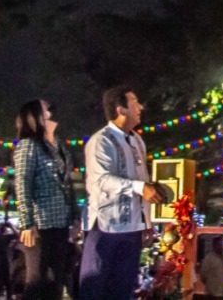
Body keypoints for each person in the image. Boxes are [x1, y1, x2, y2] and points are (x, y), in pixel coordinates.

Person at [78, 85, 164, 300]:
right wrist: (139, 188)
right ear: (120, 110)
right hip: (105, 226)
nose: (140, 107)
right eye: (134, 102)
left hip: (132, 229)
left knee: (124, 290)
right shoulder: (101, 140)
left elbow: (142, 180)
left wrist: (147, 222)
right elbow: (101, 179)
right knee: (95, 287)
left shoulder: (137, 141)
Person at [14, 98, 78, 300]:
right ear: (34, 116)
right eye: (46, 107)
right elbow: (23, 183)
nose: (51, 109)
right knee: (37, 281)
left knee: (57, 280)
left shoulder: (57, 145)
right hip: (40, 225)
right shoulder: (28, 145)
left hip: (60, 223)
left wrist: (74, 217)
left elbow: (67, 182)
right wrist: (27, 222)